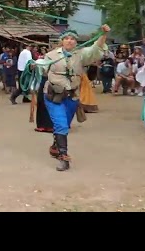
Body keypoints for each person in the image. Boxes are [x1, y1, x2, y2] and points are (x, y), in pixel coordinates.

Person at [35, 26, 110, 172]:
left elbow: (96, 49)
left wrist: (104, 34)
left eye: (73, 39)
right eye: (67, 38)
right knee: (61, 124)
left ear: (76, 42)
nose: (70, 41)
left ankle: (56, 147)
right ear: (62, 41)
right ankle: (63, 158)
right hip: (53, 96)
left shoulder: (81, 55)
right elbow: (42, 68)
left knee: (64, 126)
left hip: (72, 97)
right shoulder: (51, 55)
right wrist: (34, 66)